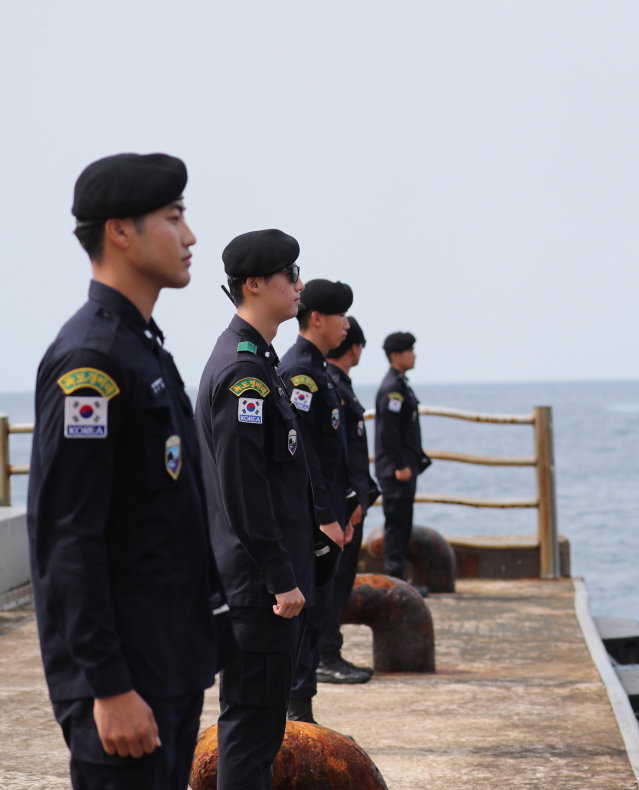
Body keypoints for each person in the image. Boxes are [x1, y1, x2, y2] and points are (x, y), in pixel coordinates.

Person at [27, 152, 230, 790]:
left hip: (168, 665)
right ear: (120, 231)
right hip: (125, 686)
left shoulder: (142, 347)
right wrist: (107, 686)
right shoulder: (92, 361)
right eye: (174, 218)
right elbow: (68, 538)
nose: (191, 237)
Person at [196, 229, 344, 790]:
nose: (299, 284)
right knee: (252, 725)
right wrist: (282, 580)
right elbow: (244, 489)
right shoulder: (243, 373)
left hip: (266, 580)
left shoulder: (258, 360)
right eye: (290, 275)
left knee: (260, 725)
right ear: (255, 285)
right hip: (260, 587)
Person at [278, 279, 368, 724]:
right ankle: (297, 714)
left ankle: (302, 711)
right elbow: (305, 456)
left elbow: (332, 455)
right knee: (306, 617)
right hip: (311, 521)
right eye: (341, 316)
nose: (346, 325)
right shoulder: (299, 372)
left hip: (328, 517)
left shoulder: (316, 370)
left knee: (315, 616)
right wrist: (326, 516)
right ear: (318, 319)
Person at [321, 317, 381, 682]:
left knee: (341, 582)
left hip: (351, 501)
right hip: (342, 506)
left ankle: (329, 650)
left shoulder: (339, 384)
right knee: (335, 581)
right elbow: (333, 455)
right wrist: (347, 501)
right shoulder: (330, 384)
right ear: (355, 347)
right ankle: (326, 654)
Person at [374, 332, 432, 591]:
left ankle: (400, 580)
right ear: (396, 355)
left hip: (404, 467)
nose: (414, 354)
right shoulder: (393, 389)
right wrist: (399, 465)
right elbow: (388, 430)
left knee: (402, 521)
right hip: (397, 470)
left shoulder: (400, 384)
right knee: (396, 524)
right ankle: (396, 581)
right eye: (410, 350)